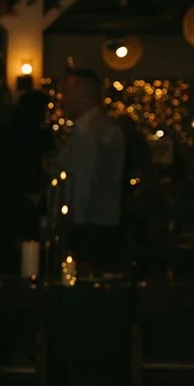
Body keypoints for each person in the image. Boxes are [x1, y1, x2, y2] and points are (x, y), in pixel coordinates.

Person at [53, 68, 125, 265]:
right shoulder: (102, 127)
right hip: (99, 223)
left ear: (84, 95)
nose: (62, 100)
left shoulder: (88, 132)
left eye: (66, 94)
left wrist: (70, 223)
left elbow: (82, 182)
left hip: (88, 227)